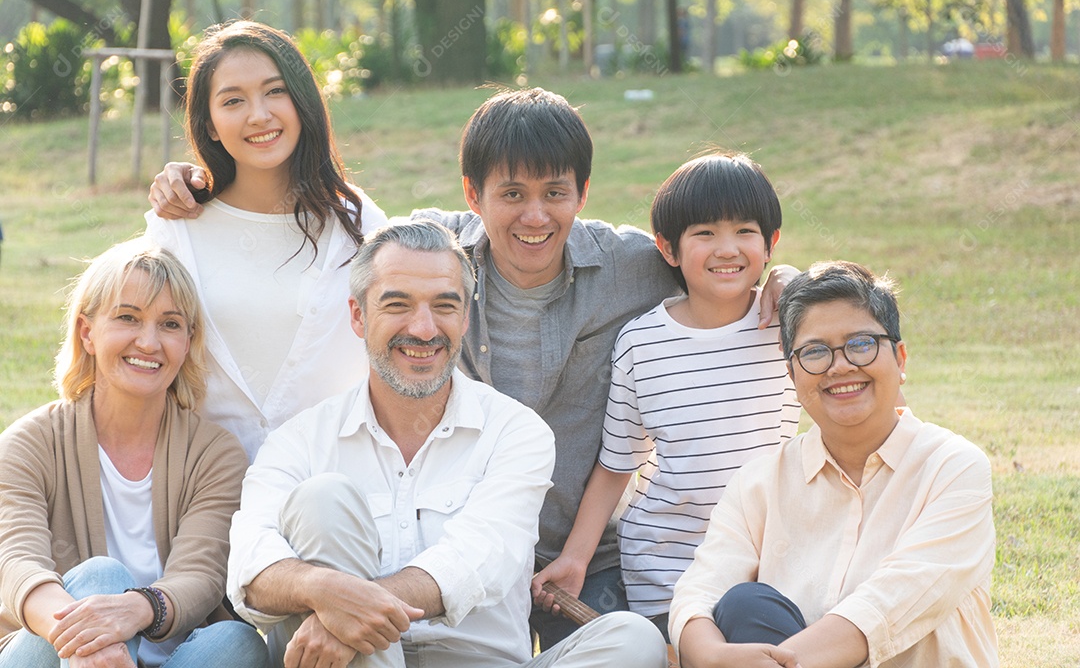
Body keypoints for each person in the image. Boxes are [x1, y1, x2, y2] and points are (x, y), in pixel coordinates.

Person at [149, 86, 795, 648]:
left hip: (579, 554)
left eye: (555, 194)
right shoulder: (431, 252)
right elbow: (305, 224)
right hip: (447, 544)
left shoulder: (632, 266)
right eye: (511, 194)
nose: (535, 216)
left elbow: (721, 256)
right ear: (472, 193)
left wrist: (790, 281)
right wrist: (205, 181)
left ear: (583, 193)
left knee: (633, 647)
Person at [226, 220, 669, 668]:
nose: (423, 329)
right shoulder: (301, 440)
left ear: (465, 318)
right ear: (358, 316)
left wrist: (347, 613)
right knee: (324, 498)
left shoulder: (516, 431)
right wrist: (320, 590)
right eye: (397, 305)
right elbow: (250, 565)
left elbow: (479, 558)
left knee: (632, 640)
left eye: (444, 306)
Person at [670, 261, 997, 668]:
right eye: (815, 352)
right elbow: (701, 590)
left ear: (900, 358)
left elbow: (888, 605)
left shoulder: (953, 468)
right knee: (744, 605)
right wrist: (707, 654)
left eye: (861, 344)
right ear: (791, 373)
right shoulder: (758, 483)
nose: (840, 366)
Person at [535, 153, 800, 641]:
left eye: (745, 231)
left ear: (770, 244)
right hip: (666, 570)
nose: (727, 249)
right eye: (704, 233)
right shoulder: (641, 343)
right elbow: (617, 466)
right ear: (668, 248)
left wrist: (795, 281)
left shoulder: (790, 326)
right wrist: (575, 558)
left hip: (773, 560)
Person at [0, 239, 269, 668]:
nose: (148, 342)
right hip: (49, 652)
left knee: (240, 642)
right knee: (101, 577)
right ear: (87, 333)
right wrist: (92, 641)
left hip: (178, 656)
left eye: (170, 324)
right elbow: (16, 563)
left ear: (188, 341)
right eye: (128, 318)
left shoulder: (215, 454)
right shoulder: (28, 443)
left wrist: (135, 610)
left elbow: (201, 576)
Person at [144, 20, 389, 461]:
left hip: (331, 479)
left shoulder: (356, 223)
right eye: (233, 100)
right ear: (212, 125)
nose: (259, 115)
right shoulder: (176, 228)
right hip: (204, 487)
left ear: (303, 102)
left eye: (275, 91)